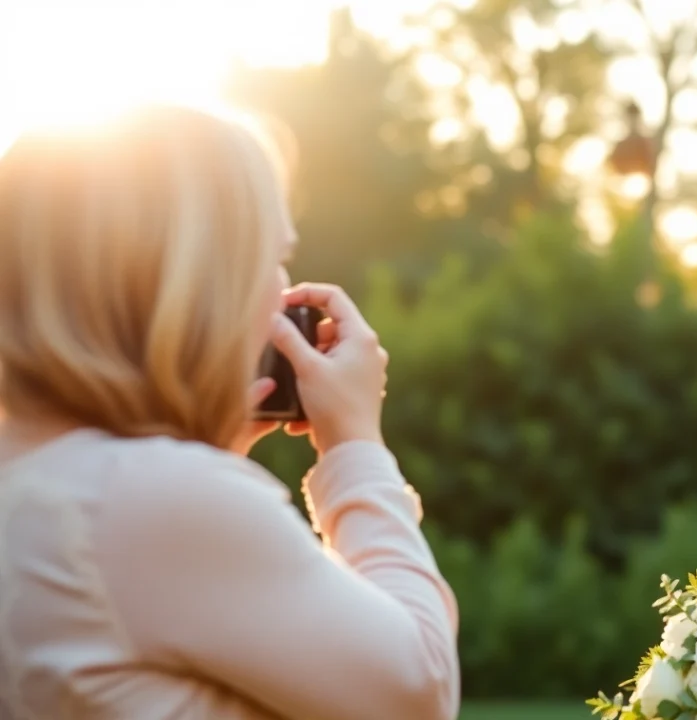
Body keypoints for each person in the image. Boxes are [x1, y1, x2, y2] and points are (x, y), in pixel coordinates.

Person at [0, 105, 459, 719]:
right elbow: (418, 692)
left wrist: (208, 448)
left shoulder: (42, 479)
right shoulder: (148, 497)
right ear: (190, 278)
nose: (283, 289)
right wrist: (355, 447)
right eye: (268, 258)